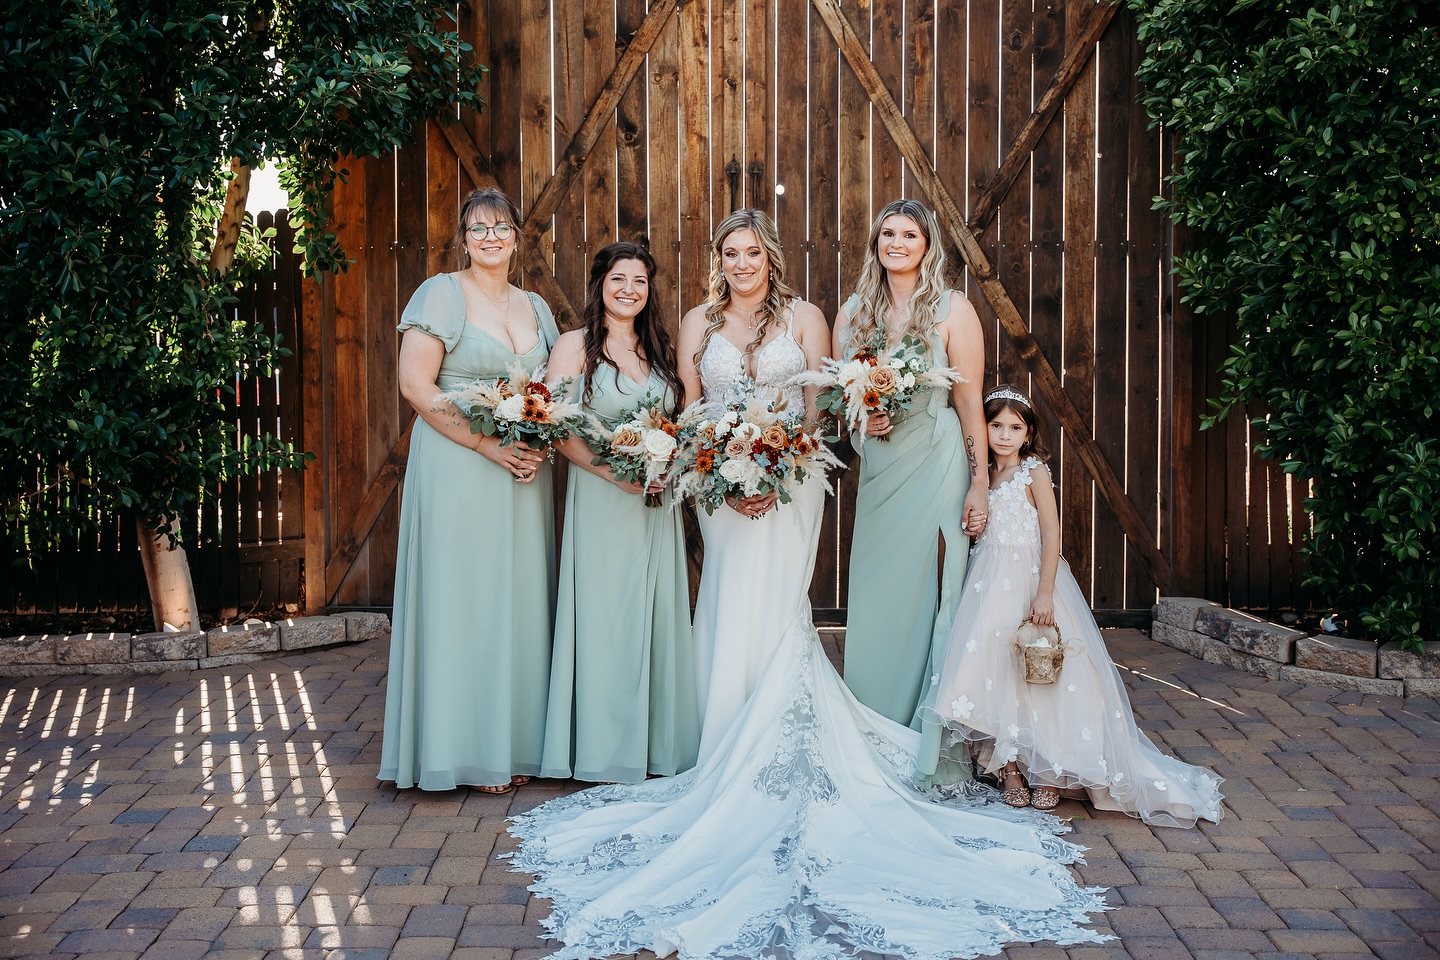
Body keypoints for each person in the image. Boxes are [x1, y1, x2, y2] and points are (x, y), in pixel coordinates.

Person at [507, 211, 1112, 960]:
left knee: (778, 607)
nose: (741, 263)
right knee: (728, 599)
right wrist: (725, 471)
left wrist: (781, 457)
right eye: (729, 253)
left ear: (770, 257)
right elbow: (693, 407)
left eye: (752, 252)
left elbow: (824, 409)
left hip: (793, 484)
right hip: (721, 486)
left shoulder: (810, 316)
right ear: (716, 260)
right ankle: (718, 742)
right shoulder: (696, 319)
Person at [918, 385, 1224, 827]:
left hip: (1030, 580)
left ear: (1029, 433)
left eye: (1015, 427)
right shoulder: (979, 476)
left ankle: (1052, 771)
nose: (1004, 435)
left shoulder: (1033, 471)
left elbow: (1051, 535)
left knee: (1045, 677)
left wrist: (1044, 592)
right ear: (981, 428)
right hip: (987, 583)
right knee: (996, 674)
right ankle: (1009, 769)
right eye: (996, 425)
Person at [378, 188, 559, 794]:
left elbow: (552, 393)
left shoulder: (535, 306)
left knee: (516, 601)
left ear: (516, 236)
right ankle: (464, 751)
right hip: (460, 467)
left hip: (522, 475)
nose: (490, 237)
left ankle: (512, 744)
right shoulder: (440, 294)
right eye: (478, 228)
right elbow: (415, 386)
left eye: (501, 226)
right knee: (465, 603)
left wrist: (538, 442)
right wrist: (487, 445)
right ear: (464, 237)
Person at [539, 241, 700, 783]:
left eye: (639, 281)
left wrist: (666, 461)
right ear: (600, 285)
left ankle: (655, 745)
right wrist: (613, 473)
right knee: (606, 617)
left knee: (653, 614)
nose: (628, 289)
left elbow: (680, 421)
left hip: (656, 503)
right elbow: (555, 425)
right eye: (618, 280)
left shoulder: (659, 350)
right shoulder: (574, 347)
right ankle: (605, 748)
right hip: (604, 498)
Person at [834, 199, 990, 741]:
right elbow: (841, 398)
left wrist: (980, 484)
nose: (895, 243)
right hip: (880, 469)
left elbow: (971, 405)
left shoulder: (953, 310)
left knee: (935, 590)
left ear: (927, 246)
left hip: (937, 460)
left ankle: (925, 733)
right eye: (887, 234)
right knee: (877, 594)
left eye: (908, 235)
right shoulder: (855, 311)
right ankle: (871, 725)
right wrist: (862, 418)